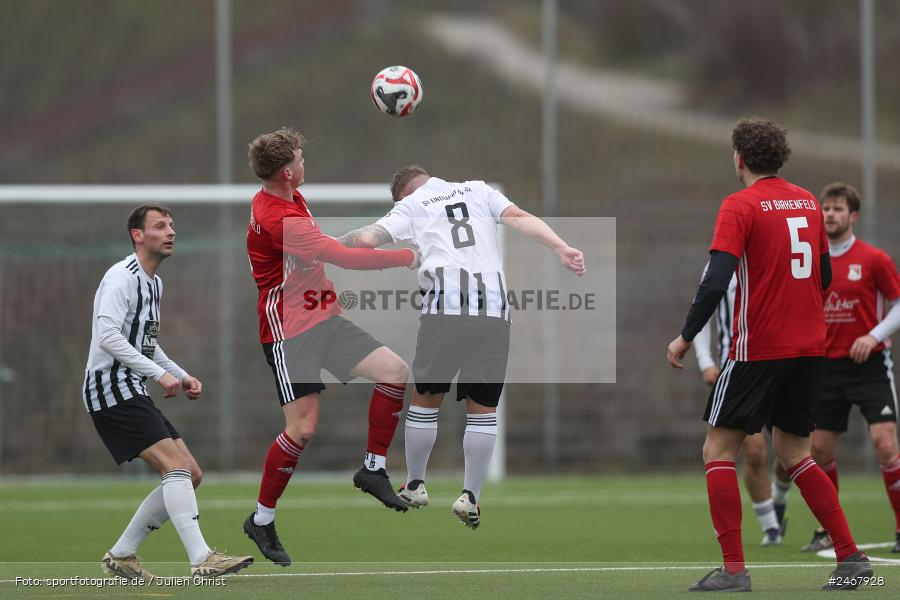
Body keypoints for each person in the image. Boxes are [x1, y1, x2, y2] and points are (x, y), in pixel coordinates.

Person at [666, 117, 872, 591]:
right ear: (781, 158)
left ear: (739, 158)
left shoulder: (739, 205)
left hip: (757, 349)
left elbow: (716, 280)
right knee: (796, 452)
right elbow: (823, 275)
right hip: (809, 349)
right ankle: (851, 558)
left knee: (717, 450)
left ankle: (735, 571)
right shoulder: (806, 202)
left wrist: (684, 337)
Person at [337, 165, 585, 528]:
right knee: (483, 410)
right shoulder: (477, 189)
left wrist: (322, 244)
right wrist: (562, 247)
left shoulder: (411, 206)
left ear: (402, 194)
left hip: (445, 310)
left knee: (425, 398)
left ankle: (416, 483)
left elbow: (366, 240)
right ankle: (471, 496)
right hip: (493, 312)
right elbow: (518, 217)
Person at [243, 128, 419, 566]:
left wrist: (358, 238)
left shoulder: (288, 198)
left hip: (321, 315)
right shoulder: (278, 215)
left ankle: (373, 469)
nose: (305, 164)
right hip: (288, 329)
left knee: (395, 371)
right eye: (300, 159)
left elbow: (322, 251)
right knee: (302, 430)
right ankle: (261, 520)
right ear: (287, 172)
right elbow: (339, 258)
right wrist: (407, 256)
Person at [84, 204, 253, 579]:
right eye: (160, 226)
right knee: (175, 468)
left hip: (129, 385)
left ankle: (122, 555)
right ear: (138, 236)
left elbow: (146, 343)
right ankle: (202, 558)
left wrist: (179, 373)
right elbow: (108, 336)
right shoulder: (121, 277)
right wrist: (157, 375)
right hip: (109, 387)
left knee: (190, 474)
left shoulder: (154, 283)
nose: (171, 231)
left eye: (172, 225)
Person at [800, 182, 900, 554]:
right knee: (819, 451)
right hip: (825, 370)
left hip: (869, 366)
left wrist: (873, 337)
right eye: (825, 208)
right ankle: (827, 530)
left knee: (885, 443)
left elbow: (898, 303)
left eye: (838, 209)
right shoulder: (810, 260)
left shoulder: (874, 259)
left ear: (853, 216)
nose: (829, 214)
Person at [693, 265, 792, 546]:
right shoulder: (721, 263)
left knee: (790, 454)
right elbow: (702, 308)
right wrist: (706, 362)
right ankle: (771, 528)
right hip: (737, 367)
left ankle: (780, 497)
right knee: (754, 450)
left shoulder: (775, 255)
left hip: (780, 366)